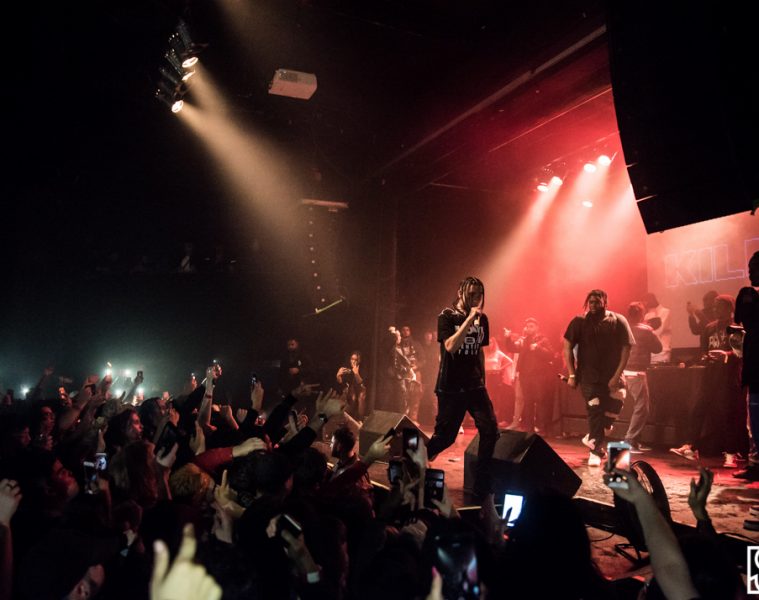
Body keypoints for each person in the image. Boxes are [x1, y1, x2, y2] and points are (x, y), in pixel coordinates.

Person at [427, 277, 498, 501]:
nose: (476, 298)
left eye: (479, 294)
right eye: (472, 294)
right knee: (445, 437)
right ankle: (415, 460)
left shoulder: (482, 319)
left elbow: (479, 351)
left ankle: (482, 485)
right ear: (461, 293)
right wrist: (468, 320)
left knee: (490, 430)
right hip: (451, 387)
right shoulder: (447, 316)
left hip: (474, 385)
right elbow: (450, 346)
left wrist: (483, 379)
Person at [670, 294, 745, 463]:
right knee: (698, 408)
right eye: (715, 306)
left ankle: (731, 453)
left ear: (729, 308)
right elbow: (703, 350)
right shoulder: (709, 328)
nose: (715, 309)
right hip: (710, 375)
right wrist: (704, 357)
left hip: (729, 377)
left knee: (728, 412)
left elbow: (741, 353)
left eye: (719, 306)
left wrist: (726, 355)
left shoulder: (736, 328)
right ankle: (691, 447)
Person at [563, 289, 634, 466]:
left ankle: (593, 437)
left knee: (615, 406)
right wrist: (572, 374)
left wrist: (616, 375)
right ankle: (595, 451)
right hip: (589, 376)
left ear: (605, 303)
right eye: (590, 302)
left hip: (612, 375)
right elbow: (567, 347)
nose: (593, 305)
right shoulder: (579, 321)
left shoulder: (618, 320)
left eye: (597, 302)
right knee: (595, 410)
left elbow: (627, 349)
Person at [622, 302, 662, 453]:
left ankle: (635, 440)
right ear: (641, 314)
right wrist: (649, 328)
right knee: (642, 408)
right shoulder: (646, 330)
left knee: (638, 407)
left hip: (624, 370)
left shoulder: (623, 328)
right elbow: (658, 348)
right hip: (637, 372)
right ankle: (630, 440)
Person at [503, 318, 554, 434]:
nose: (529, 328)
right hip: (525, 377)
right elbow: (512, 348)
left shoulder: (543, 340)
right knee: (528, 402)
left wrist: (538, 348)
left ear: (537, 328)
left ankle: (542, 427)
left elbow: (551, 355)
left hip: (539, 376)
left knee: (540, 401)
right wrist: (508, 338)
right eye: (527, 326)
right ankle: (529, 428)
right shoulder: (523, 341)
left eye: (531, 326)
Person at [399, 326, 424, 422]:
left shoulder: (416, 344)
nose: (405, 331)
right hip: (403, 373)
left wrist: (416, 367)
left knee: (416, 396)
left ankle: (413, 419)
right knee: (404, 396)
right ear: (401, 331)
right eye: (403, 330)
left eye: (407, 330)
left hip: (415, 373)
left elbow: (423, 360)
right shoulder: (398, 344)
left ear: (410, 331)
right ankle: (403, 418)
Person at [336, 351, 367, 421]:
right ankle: (349, 418)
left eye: (356, 360)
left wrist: (356, 373)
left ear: (359, 360)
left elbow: (362, 383)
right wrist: (338, 376)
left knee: (361, 397)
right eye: (352, 359)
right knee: (352, 396)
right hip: (351, 388)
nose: (353, 361)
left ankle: (360, 419)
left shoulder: (362, 368)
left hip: (361, 387)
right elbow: (341, 382)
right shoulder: (347, 367)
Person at [643, 292, 671, 364]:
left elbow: (658, 330)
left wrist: (653, 313)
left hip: (663, 352)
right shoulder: (647, 315)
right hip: (650, 353)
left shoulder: (666, 312)